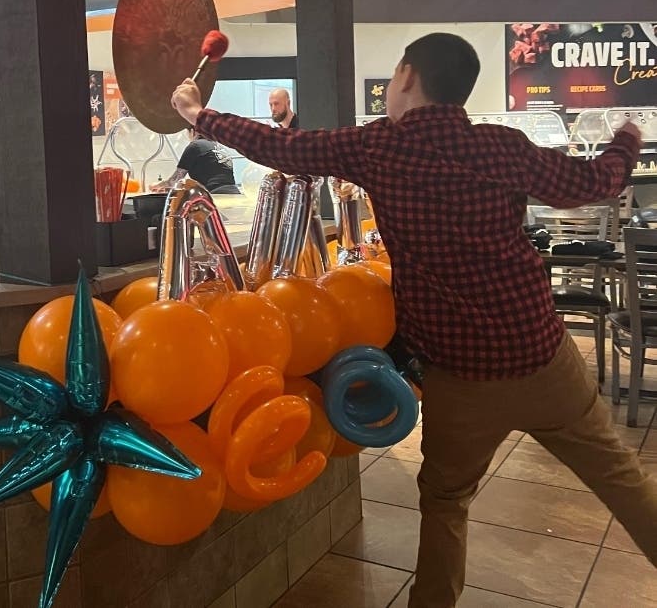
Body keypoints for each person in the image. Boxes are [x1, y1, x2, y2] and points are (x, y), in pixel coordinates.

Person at [171, 32, 656, 608]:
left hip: (460, 378)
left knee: (446, 503)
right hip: (543, 358)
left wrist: (201, 115)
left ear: (404, 76)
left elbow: (287, 148)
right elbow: (594, 183)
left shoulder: (380, 147)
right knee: (621, 480)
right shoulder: (502, 146)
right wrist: (626, 139)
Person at [149, 127, 241, 195]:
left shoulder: (195, 146)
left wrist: (157, 185)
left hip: (217, 195)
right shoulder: (218, 146)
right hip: (234, 194)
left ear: (193, 131)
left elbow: (174, 181)